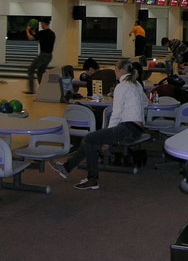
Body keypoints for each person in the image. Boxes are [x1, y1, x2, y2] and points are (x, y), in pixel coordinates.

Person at [49, 59, 147, 190]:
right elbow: (145, 103)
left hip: (127, 129)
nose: (115, 73)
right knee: (91, 141)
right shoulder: (136, 84)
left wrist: (108, 138)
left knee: (89, 138)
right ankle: (67, 168)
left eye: (115, 70)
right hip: (138, 129)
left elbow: (116, 114)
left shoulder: (121, 86)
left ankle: (92, 179)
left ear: (120, 71)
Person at [25, 17, 55, 94]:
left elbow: (30, 38)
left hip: (43, 55)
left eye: (41, 23)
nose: (41, 24)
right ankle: (43, 88)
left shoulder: (42, 33)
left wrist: (27, 30)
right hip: (49, 56)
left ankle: (31, 90)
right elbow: (40, 40)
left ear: (43, 23)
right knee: (40, 72)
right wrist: (34, 32)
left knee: (30, 70)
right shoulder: (52, 33)